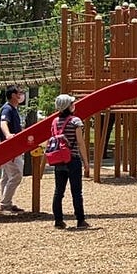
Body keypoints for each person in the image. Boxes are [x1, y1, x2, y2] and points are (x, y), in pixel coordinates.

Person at [51, 94, 90, 230]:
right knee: (76, 191)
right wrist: (86, 162)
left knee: (58, 191)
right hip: (72, 159)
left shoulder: (55, 122)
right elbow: (80, 143)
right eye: (72, 103)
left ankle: (58, 220)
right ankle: (80, 220)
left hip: (59, 160)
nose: (74, 105)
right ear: (68, 106)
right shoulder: (75, 121)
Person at [0, 84, 26, 215]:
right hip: (9, 148)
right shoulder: (7, 109)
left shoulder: (13, 109)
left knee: (6, 176)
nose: (22, 95)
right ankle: (5, 204)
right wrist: (8, 135)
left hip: (9, 148)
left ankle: (6, 203)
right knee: (16, 175)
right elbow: (3, 122)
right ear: (13, 95)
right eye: (20, 93)